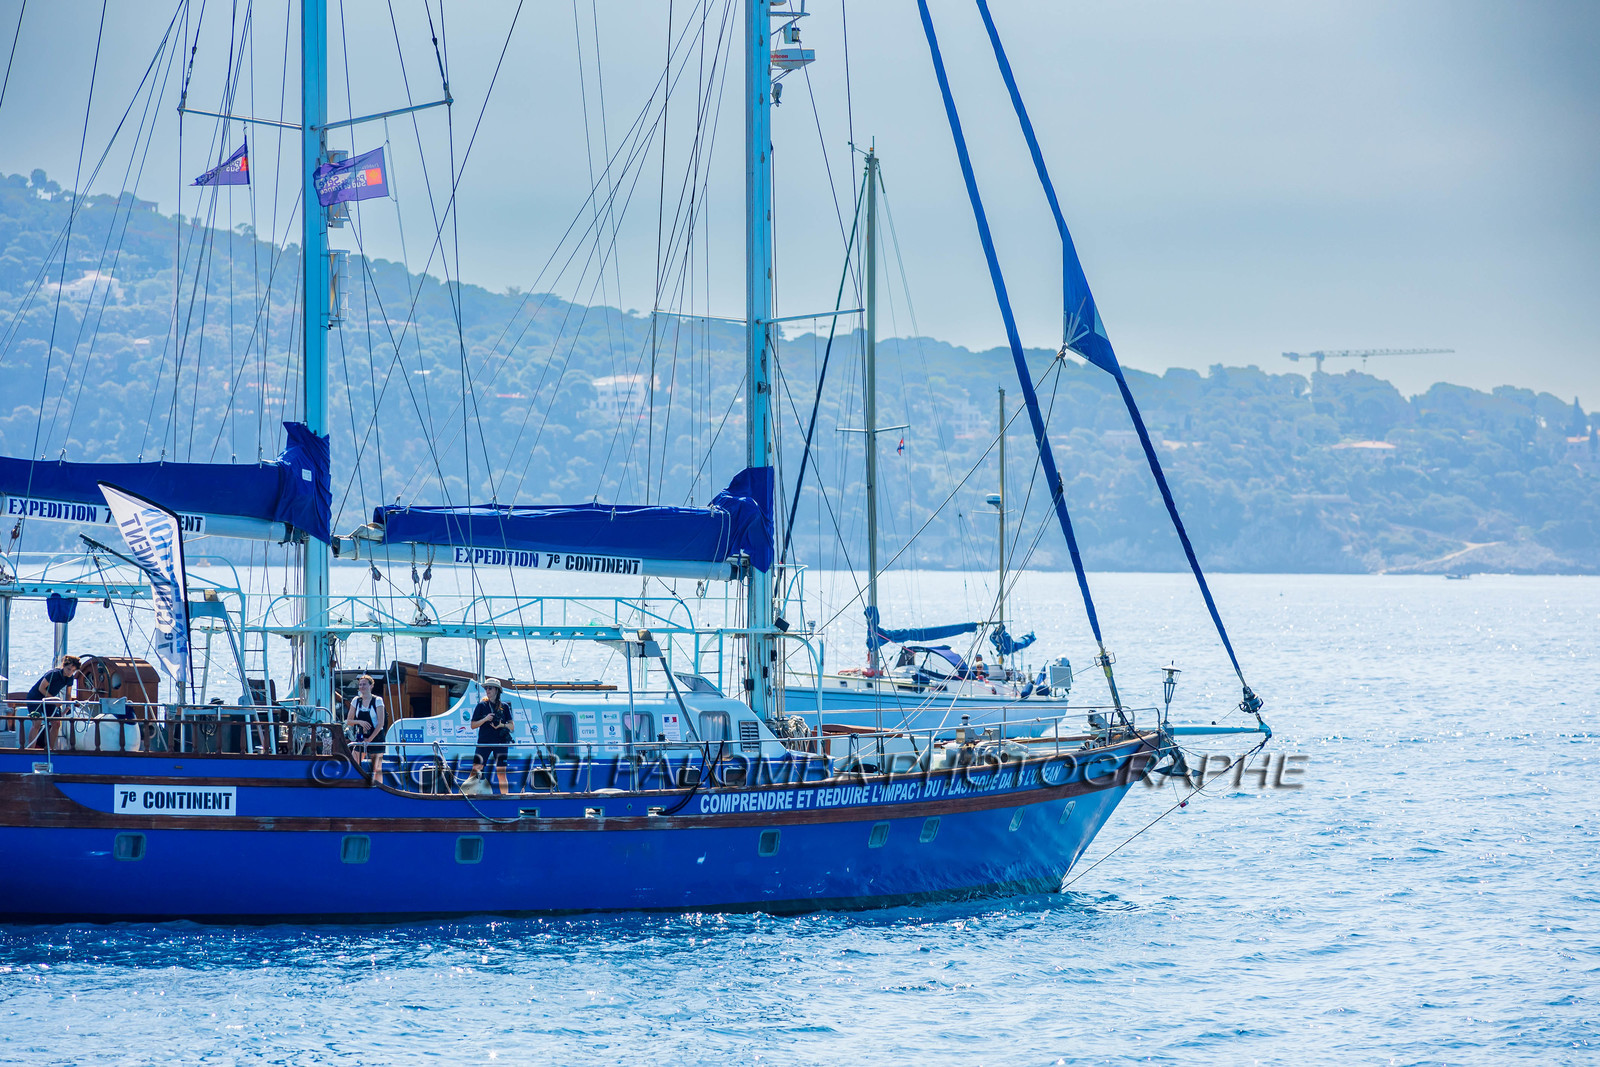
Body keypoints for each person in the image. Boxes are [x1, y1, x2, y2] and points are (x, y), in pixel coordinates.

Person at [25, 655, 81, 749]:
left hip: (49, 699)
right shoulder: (53, 674)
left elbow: (68, 694)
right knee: (37, 722)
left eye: (73, 671)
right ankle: (31, 750)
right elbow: (41, 688)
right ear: (64, 666)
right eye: (68, 669)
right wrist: (54, 700)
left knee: (56, 723)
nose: (70, 672)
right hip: (35, 697)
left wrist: (68, 705)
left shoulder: (70, 678)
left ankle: (50, 749)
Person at [466, 679, 513, 785]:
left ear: (496, 690)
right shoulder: (481, 706)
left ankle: (505, 795)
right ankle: (464, 793)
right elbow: (473, 725)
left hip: (501, 743)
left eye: (490, 688)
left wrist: (501, 725)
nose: (487, 690)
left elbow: (512, 726)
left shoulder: (504, 706)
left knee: (501, 774)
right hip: (484, 742)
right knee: (475, 770)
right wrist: (485, 719)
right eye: (486, 688)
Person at [343, 674, 386, 755]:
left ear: (371, 686)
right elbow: (349, 721)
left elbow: (381, 723)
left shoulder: (378, 700)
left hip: (376, 737)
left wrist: (369, 740)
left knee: (376, 763)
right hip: (361, 736)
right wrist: (360, 722)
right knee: (354, 761)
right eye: (360, 684)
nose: (362, 686)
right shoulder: (356, 700)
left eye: (364, 684)